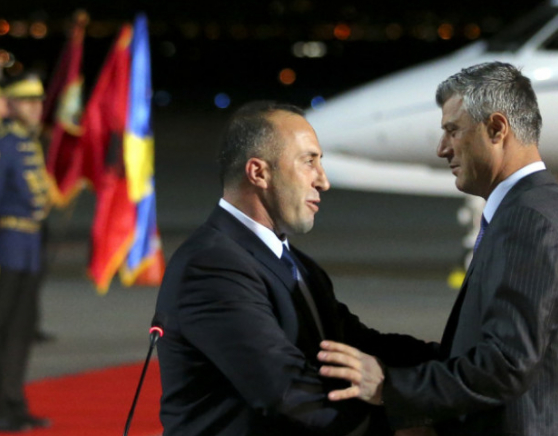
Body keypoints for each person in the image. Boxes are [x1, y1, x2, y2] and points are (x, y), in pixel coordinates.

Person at [319, 62, 558, 436]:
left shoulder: (528, 222)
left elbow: (505, 365)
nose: (442, 148)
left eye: (453, 131)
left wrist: (389, 388)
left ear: (496, 129)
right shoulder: (536, 210)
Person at [153, 101, 438, 436]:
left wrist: (458, 365)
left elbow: (354, 346)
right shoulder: (212, 267)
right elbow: (286, 392)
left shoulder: (296, 264)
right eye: (309, 162)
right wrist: (403, 425)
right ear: (259, 173)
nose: (323, 181)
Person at [0, 77, 52, 431]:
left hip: (28, 248)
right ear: (11, 105)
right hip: (4, 245)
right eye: (26, 102)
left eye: (38, 101)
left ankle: (14, 401)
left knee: (20, 330)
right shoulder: (1, 145)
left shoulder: (28, 143)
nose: (35, 108)